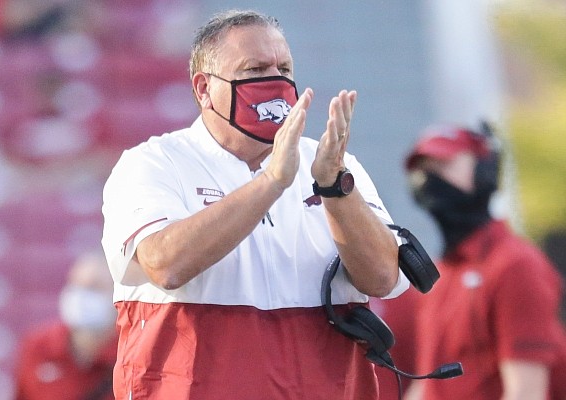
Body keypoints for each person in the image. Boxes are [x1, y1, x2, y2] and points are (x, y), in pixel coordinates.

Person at [101, 9, 410, 400]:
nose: (275, 81)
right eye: (254, 70)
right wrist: (271, 182)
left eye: (284, 68)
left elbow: (383, 278)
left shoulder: (331, 164)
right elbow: (165, 265)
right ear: (203, 89)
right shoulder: (153, 163)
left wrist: (335, 188)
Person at [402, 124, 566, 400]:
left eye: (443, 165)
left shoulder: (515, 265)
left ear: (485, 171)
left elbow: (526, 393)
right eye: (424, 171)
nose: (429, 181)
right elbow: (431, 384)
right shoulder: (441, 275)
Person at [15, 251, 118, 400]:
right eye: (75, 284)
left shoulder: (131, 351)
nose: (81, 295)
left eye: (94, 287)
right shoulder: (38, 346)